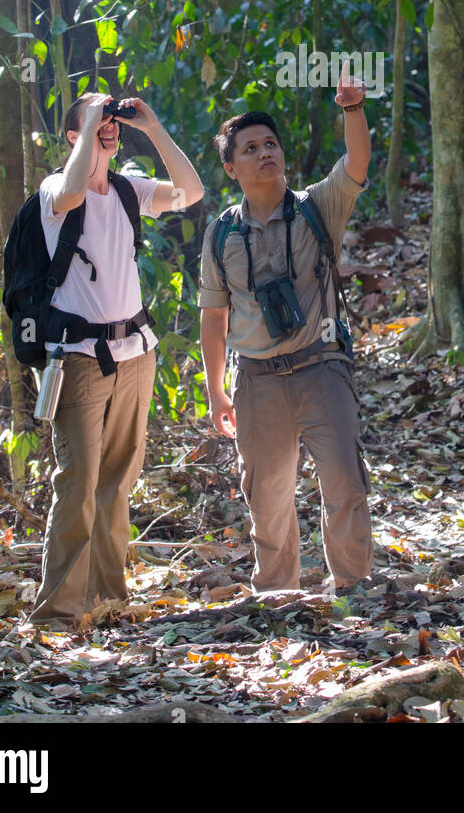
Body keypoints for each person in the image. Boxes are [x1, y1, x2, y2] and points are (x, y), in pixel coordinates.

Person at [29, 93, 204, 630]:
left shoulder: (129, 188)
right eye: (93, 121)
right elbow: (77, 186)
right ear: (71, 135)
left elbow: (191, 192)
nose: (107, 126)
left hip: (136, 352)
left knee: (118, 479)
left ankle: (108, 599)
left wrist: (150, 127)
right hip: (78, 356)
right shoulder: (57, 190)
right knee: (78, 481)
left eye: (110, 120)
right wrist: (89, 124)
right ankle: (58, 612)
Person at [198, 71, 374, 596]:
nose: (264, 152)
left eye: (270, 143)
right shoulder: (221, 233)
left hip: (322, 365)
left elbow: (357, 163)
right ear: (232, 169)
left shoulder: (318, 207)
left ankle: (354, 588)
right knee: (267, 497)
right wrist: (214, 391)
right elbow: (213, 317)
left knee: (344, 479)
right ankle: (278, 596)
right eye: (249, 148)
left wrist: (352, 109)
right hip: (258, 378)